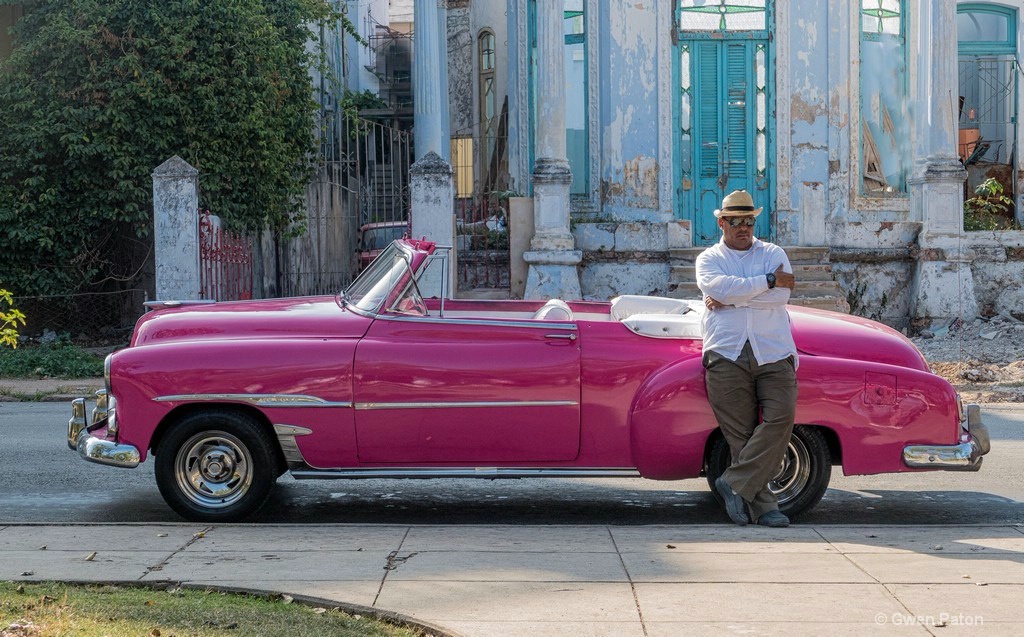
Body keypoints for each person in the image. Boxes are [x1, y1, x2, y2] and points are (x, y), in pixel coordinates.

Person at [695, 189, 798, 528]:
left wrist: (734, 298)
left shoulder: (773, 252)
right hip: (726, 352)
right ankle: (766, 508)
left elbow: (780, 297)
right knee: (740, 434)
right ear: (722, 222)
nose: (744, 227)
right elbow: (719, 289)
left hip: (773, 349)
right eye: (736, 220)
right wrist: (765, 282)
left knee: (781, 418)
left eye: (749, 220)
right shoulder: (709, 259)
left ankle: (732, 483)